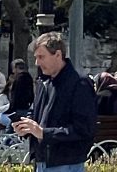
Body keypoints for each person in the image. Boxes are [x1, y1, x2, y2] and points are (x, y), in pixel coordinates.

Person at [12, 35, 96, 172]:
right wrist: (26, 127)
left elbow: (84, 129)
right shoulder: (43, 82)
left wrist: (44, 133)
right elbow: (38, 115)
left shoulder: (79, 84)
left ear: (58, 55)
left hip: (66, 162)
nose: (37, 63)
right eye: (36, 57)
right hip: (42, 160)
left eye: (41, 57)